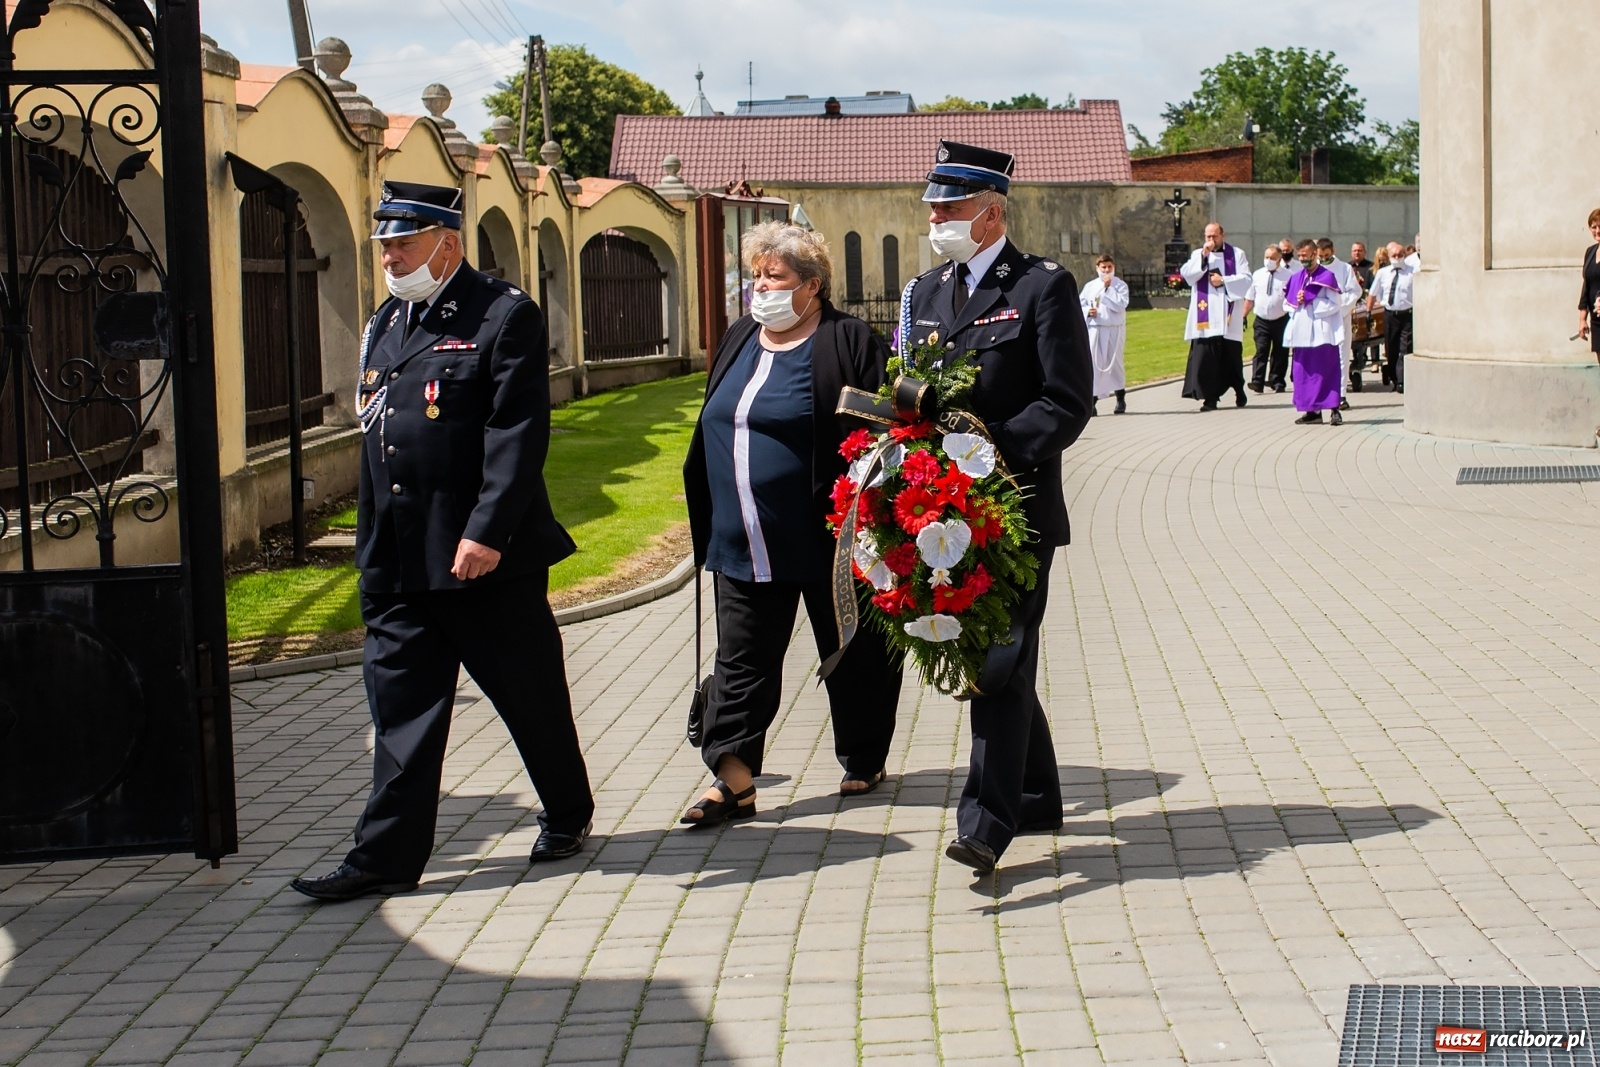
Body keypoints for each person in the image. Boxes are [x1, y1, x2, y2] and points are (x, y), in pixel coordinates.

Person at [291, 181, 593, 902]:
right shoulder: (384, 323)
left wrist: (487, 531)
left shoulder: (502, 314)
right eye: (384, 246)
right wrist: (370, 549)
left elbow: (516, 433)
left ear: (447, 243)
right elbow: (379, 440)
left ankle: (567, 809)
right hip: (400, 559)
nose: (390, 257)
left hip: (481, 560)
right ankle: (385, 857)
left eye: (403, 243)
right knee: (401, 714)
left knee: (529, 697)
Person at [899, 140, 1093, 874]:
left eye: (948, 207)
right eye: (932, 207)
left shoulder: (1042, 286)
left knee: (1000, 656)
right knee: (995, 652)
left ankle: (985, 822)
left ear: (991, 213)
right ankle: (1036, 792)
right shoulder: (924, 294)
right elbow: (909, 391)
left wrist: (985, 453)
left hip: (1012, 507)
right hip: (937, 511)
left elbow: (1067, 401)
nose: (935, 218)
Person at [679, 222, 904, 827]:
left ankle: (864, 755)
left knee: (852, 653)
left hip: (830, 537)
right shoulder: (739, 337)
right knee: (741, 660)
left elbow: (885, 431)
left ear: (812, 285)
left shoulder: (847, 339)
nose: (760, 287)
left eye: (774, 276)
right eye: (756, 275)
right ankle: (734, 780)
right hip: (744, 538)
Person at [1180, 222, 1252, 410]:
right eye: (1208, 237)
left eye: (1215, 236)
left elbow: (1247, 280)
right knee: (1207, 359)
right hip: (1206, 316)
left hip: (1229, 315)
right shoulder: (1198, 254)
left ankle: (1239, 389)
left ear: (1222, 235)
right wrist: (1203, 257)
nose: (1211, 240)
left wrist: (1224, 281)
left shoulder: (1237, 254)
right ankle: (1210, 398)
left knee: (1231, 359)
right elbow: (1187, 275)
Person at [1284, 239, 1345, 426]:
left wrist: (1312, 300)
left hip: (1322, 332)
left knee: (1327, 371)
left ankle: (1334, 409)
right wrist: (1296, 300)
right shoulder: (1296, 278)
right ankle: (1312, 412)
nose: (1302, 259)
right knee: (1304, 373)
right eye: (1300, 256)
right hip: (1302, 332)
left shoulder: (1327, 276)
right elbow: (1286, 304)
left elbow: (1335, 304)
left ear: (1314, 254)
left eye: (1305, 255)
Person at [1080, 253, 1131, 414]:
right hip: (1096, 328)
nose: (1107, 270)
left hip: (1114, 328)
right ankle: (1092, 401)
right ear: (1098, 268)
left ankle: (1120, 398)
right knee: (1095, 364)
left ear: (1113, 267)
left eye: (1109, 267)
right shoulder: (1090, 286)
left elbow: (1121, 304)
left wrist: (1108, 289)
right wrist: (1088, 311)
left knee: (1115, 363)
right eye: (1104, 267)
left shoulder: (1120, 285)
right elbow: (1080, 304)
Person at [1316, 237, 1362, 406]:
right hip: (1321, 318)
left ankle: (1341, 394)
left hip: (1340, 317)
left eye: (1327, 255)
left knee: (1342, 356)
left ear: (1333, 251)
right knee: (1321, 356)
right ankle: (1322, 392)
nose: (1324, 259)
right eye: (1321, 256)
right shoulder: (1314, 268)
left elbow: (1355, 292)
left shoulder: (1344, 268)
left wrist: (1339, 306)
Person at [1368, 241, 1415, 392]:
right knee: (1391, 348)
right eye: (1394, 255)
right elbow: (1372, 293)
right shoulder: (1383, 273)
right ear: (1389, 256)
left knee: (1405, 348)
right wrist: (1368, 312)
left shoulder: (1412, 272)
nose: (1397, 257)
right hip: (1390, 315)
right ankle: (1394, 377)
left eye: (1400, 255)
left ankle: (1402, 380)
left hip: (1407, 315)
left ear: (1404, 255)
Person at [1244, 244, 1291, 393]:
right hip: (1262, 320)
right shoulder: (1257, 275)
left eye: (1272, 258)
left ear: (1279, 258)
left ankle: (1277, 381)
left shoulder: (1288, 276)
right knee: (1261, 350)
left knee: (1280, 352)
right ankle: (1257, 381)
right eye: (1267, 257)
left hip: (1281, 319)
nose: (1269, 260)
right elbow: (1250, 298)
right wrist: (1243, 315)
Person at [1578, 209, 1600, 366]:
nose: (1598, 231)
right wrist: (1582, 319)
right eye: (1594, 227)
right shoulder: (1590, 252)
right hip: (1597, 321)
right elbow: (1586, 286)